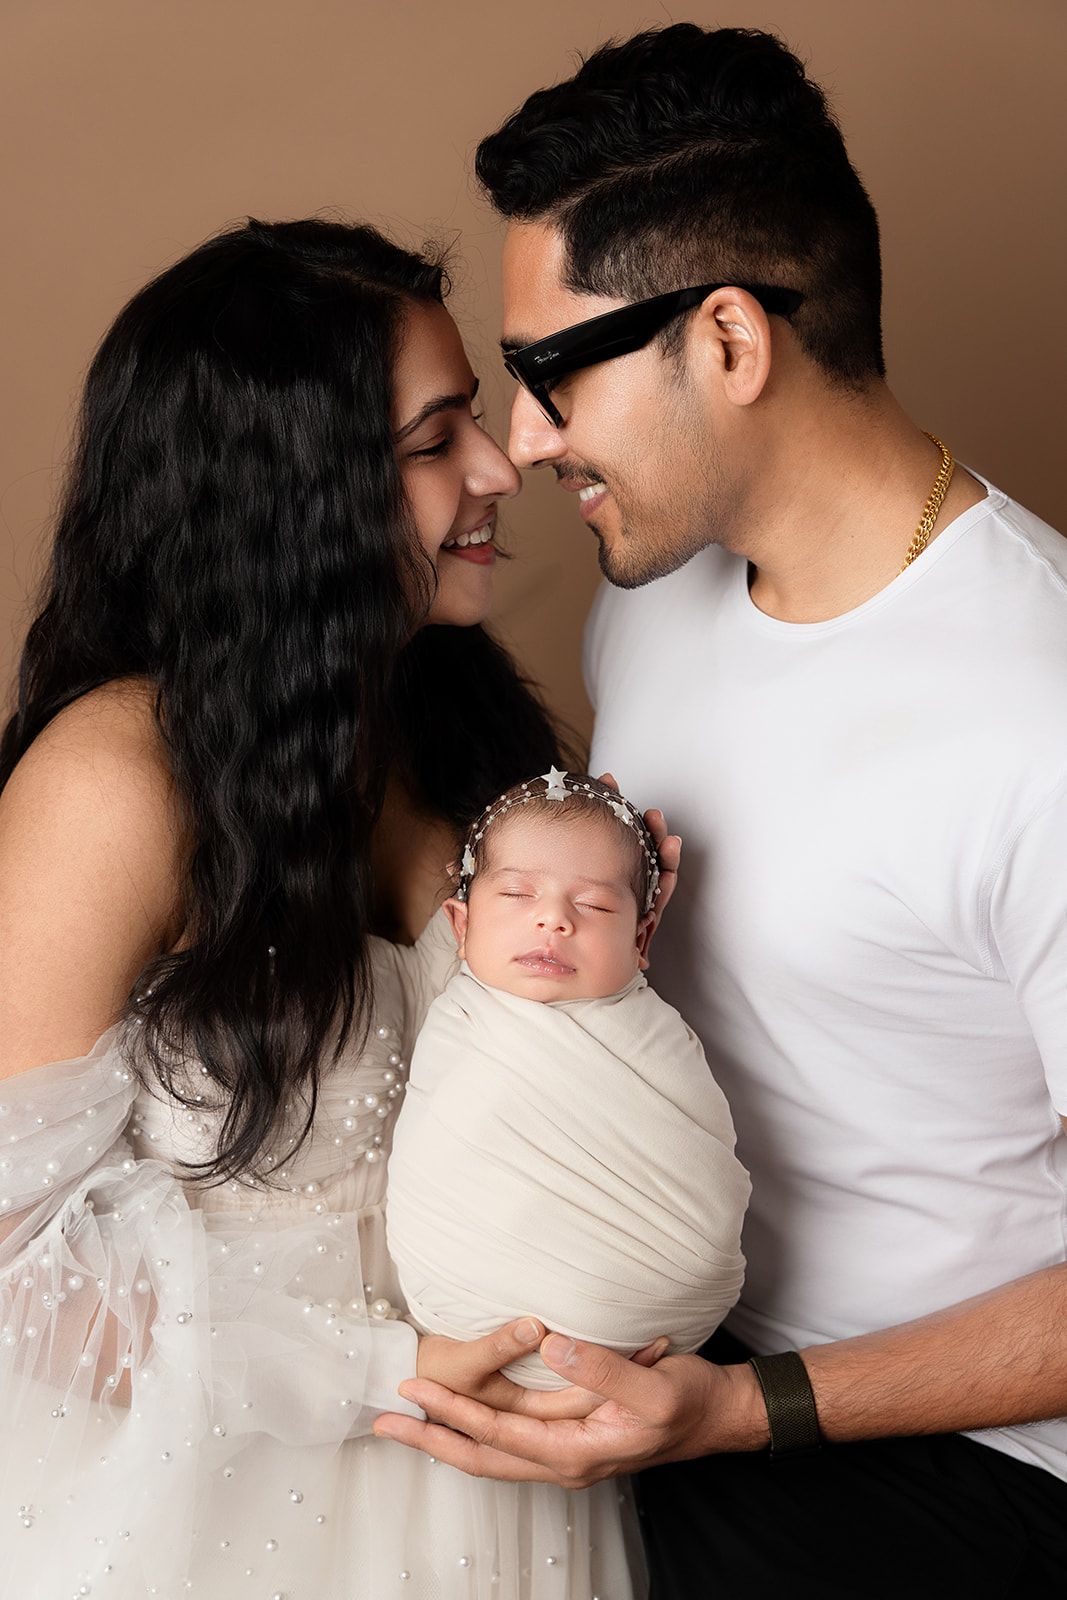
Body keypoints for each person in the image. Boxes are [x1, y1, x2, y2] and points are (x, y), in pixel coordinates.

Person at [372, 25, 1067, 1598]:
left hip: (957, 1451)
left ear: (729, 341)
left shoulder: (1036, 715)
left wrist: (741, 1413)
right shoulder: (656, 595)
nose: (522, 441)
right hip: (664, 1333)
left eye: (553, 372)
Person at [0, 216, 653, 1600]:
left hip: (507, 1496)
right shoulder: (115, 781)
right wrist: (379, 1372)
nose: (498, 468)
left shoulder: (463, 736)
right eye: (432, 442)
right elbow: (10, 1269)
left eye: (471, 418)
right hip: (221, 1510)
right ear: (285, 488)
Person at [387, 771, 748, 1389]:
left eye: (596, 906)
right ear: (460, 926)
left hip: (654, 1326)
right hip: (461, 1315)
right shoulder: (456, 1018)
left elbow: (694, 1164)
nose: (553, 919)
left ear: (642, 936)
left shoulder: (654, 1037)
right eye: (516, 894)